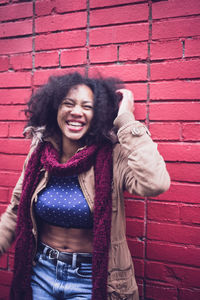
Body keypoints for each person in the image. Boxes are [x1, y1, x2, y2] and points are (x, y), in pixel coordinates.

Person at [0, 72, 170, 300]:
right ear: (55, 110)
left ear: (97, 114)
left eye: (87, 107)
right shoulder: (39, 153)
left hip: (92, 280)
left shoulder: (113, 157)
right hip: (40, 273)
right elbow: (15, 212)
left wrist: (126, 119)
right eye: (68, 104)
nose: (76, 112)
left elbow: (155, 183)